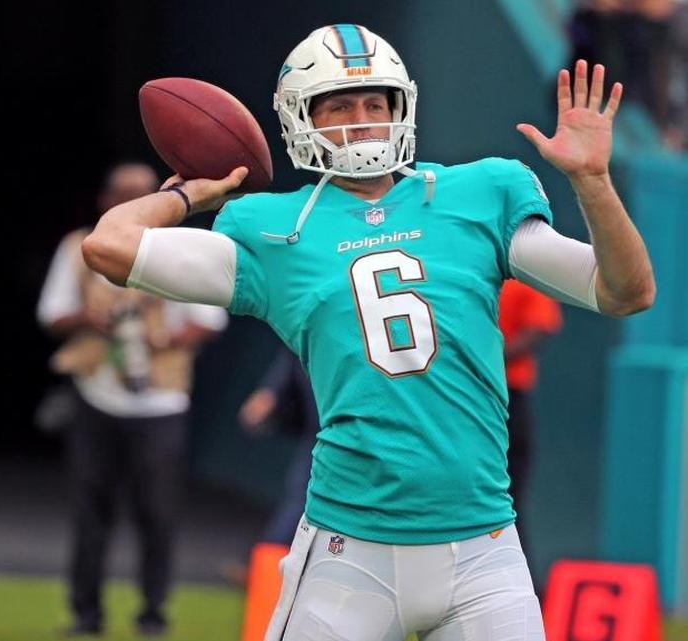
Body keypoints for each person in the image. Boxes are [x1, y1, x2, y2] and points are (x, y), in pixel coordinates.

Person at [82, 23, 654, 641]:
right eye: (341, 105)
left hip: (483, 550)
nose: (363, 120)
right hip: (347, 554)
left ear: (401, 108)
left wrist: (593, 183)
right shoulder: (275, 229)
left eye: (375, 103)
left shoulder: (476, 193)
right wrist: (187, 194)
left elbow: (625, 291)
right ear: (304, 118)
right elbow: (109, 246)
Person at [37, 162, 228, 637]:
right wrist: (96, 322)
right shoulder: (80, 248)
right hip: (95, 393)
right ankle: (86, 613)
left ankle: (153, 613)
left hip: (160, 403)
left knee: (157, 512)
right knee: (89, 510)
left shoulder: (181, 249)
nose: (128, 202)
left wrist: (161, 340)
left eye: (140, 193)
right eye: (120, 193)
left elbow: (210, 319)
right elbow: (53, 313)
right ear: (104, 201)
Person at [498, 279, 563, 582]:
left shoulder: (520, 267)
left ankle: (520, 585)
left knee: (506, 501)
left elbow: (539, 328)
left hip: (508, 397)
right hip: (464, 396)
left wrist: (484, 360)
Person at [237, 347, 318, 547]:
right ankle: (266, 568)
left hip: (350, 438)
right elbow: (294, 349)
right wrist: (269, 392)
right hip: (321, 436)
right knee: (299, 500)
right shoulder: (310, 336)